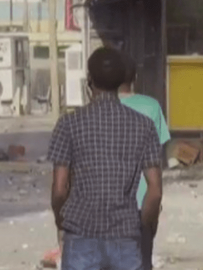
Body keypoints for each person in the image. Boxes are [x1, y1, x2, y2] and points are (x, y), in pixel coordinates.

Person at [48, 47, 163, 270]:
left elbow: (60, 189)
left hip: (80, 236)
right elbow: (155, 191)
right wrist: (144, 226)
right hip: (126, 238)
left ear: (89, 80)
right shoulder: (144, 126)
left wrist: (61, 222)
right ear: (122, 81)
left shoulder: (68, 124)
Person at [119, 55, 171, 270]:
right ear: (135, 78)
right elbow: (156, 164)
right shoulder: (151, 107)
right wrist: (153, 218)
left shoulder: (94, 111)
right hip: (142, 204)